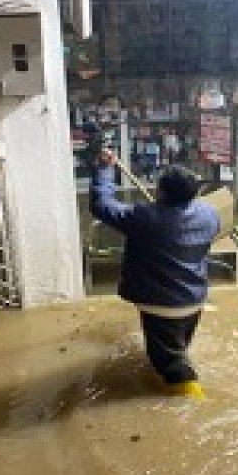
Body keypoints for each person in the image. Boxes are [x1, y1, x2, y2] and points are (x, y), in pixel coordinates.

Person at [90, 149, 219, 398]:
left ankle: (192, 399)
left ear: (161, 192)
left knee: (167, 363)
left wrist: (105, 169)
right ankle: (182, 375)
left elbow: (102, 205)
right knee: (177, 348)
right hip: (194, 301)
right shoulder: (209, 214)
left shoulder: (143, 217)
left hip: (161, 306)